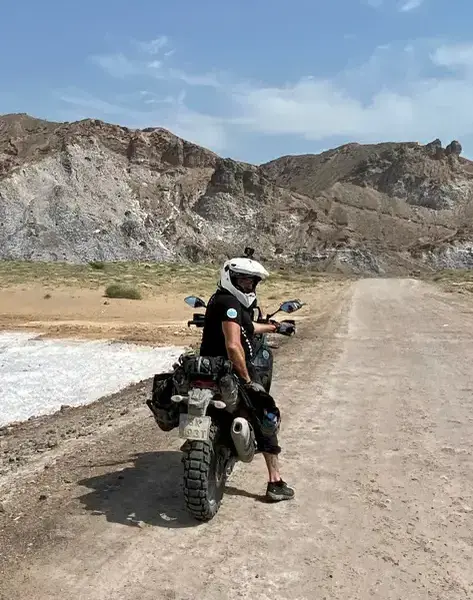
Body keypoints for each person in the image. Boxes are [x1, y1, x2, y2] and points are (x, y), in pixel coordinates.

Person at [200, 256, 295, 502]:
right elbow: (233, 345)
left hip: (210, 370)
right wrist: (246, 379)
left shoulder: (221, 300)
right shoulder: (230, 302)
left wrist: (274, 327)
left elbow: (247, 328)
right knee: (266, 414)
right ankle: (275, 482)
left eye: (251, 282)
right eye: (242, 280)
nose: (247, 286)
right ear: (229, 277)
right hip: (228, 372)